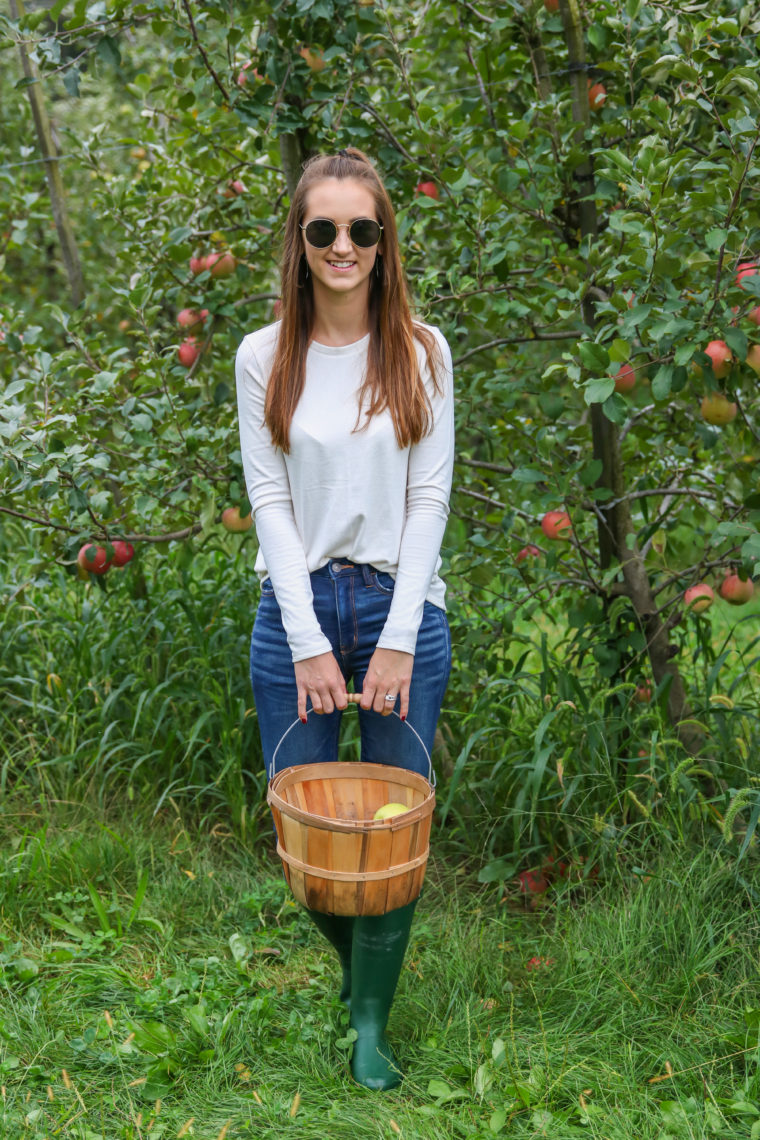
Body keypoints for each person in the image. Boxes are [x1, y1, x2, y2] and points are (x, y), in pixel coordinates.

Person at [235, 147, 454, 1091]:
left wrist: (399, 634)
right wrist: (311, 642)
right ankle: (358, 967)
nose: (342, 246)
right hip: (297, 611)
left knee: (395, 835)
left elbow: (430, 500)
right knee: (304, 831)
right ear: (299, 238)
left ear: (383, 239)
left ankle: (369, 1022)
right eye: (322, 228)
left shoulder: (422, 350)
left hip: (403, 605)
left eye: (361, 229)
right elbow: (271, 502)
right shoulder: (260, 354)